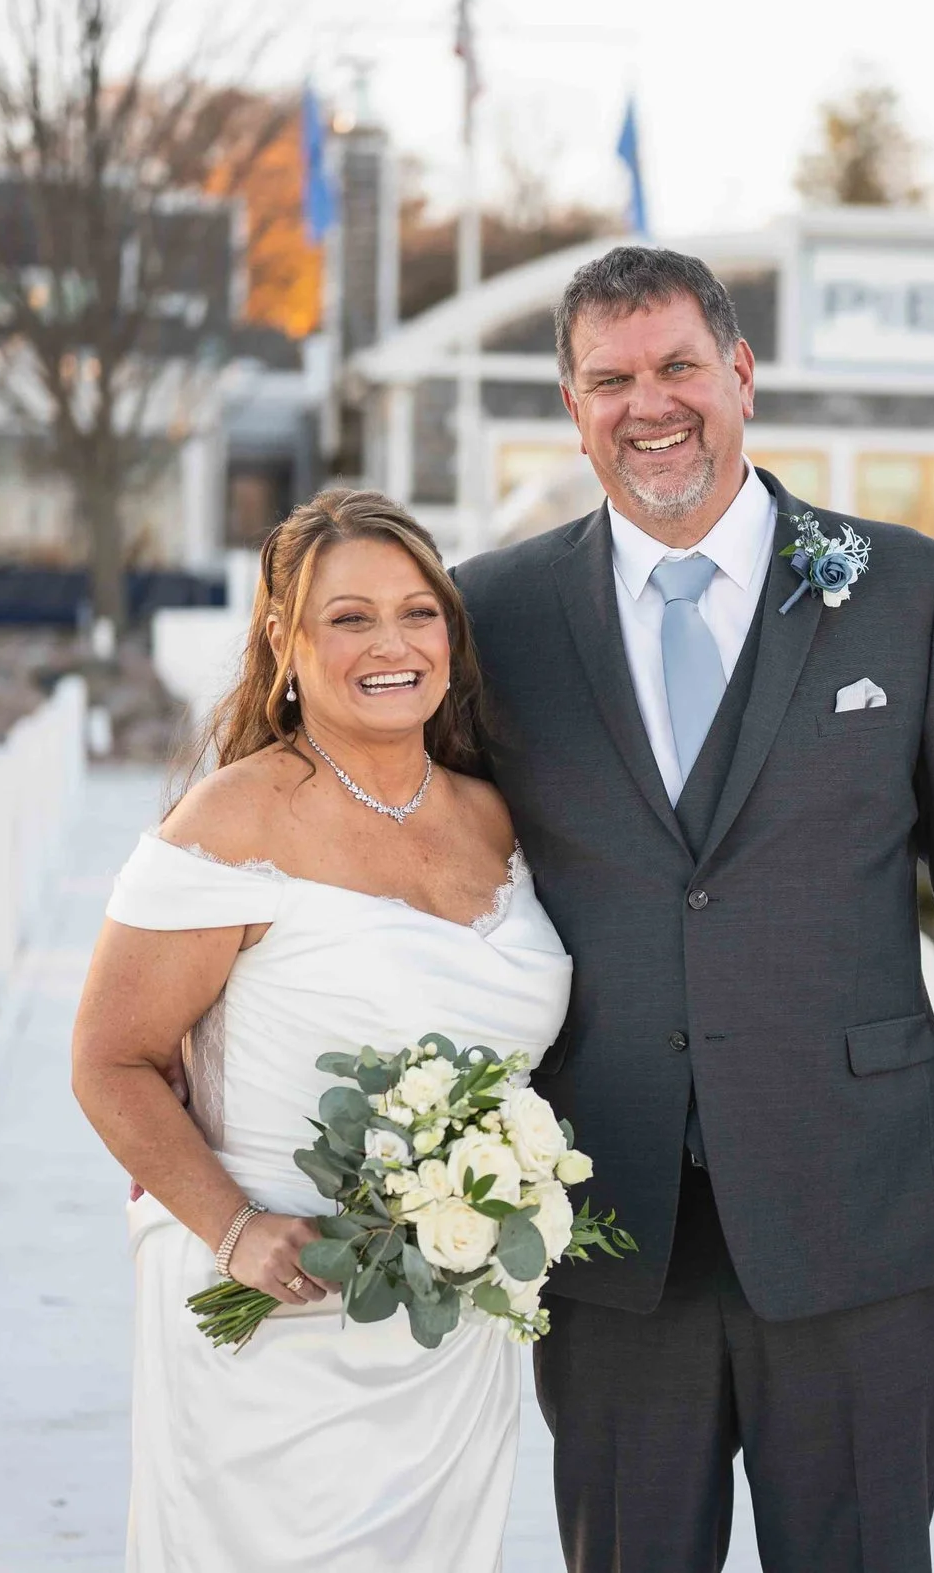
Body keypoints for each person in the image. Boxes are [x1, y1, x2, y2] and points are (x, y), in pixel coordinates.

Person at [455, 245, 934, 1573]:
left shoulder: (903, 588)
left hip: (854, 1198)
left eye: (681, 365)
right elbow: (407, 856)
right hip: (606, 1202)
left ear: (742, 374)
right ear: (573, 408)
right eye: (611, 379)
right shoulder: (493, 612)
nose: (652, 404)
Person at [69, 490, 570, 1572]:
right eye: (349, 618)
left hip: (451, 1319)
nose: (391, 643)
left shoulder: (500, 815)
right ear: (283, 643)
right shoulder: (233, 820)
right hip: (275, 1301)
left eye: (418, 612)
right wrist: (237, 1227)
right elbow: (111, 1060)